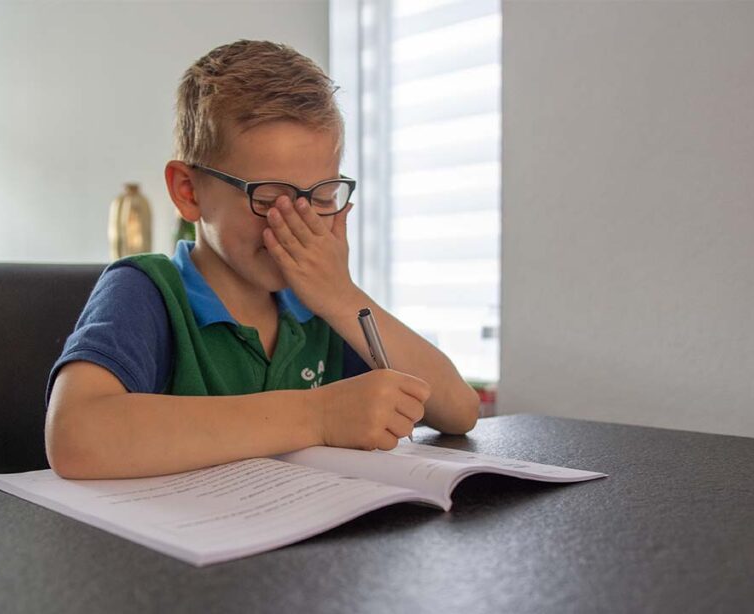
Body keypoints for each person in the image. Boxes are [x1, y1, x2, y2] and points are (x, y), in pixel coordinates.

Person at [45, 40, 479, 479]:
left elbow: (458, 409)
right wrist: (319, 416)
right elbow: (75, 437)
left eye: (323, 197)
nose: (298, 224)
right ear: (188, 192)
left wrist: (341, 295)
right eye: (270, 198)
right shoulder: (146, 291)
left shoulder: (320, 310)